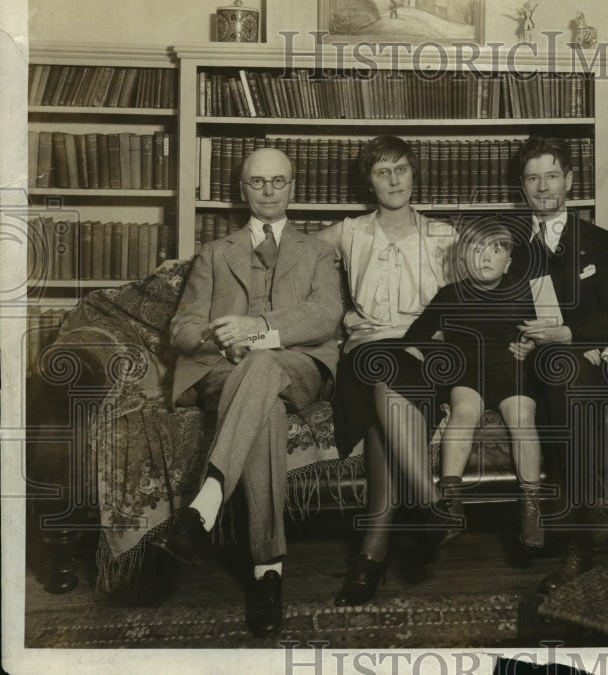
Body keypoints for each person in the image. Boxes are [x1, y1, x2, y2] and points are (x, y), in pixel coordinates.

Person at [155, 148, 343, 637]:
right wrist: (222, 336)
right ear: (242, 190)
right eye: (257, 182)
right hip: (223, 368)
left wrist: (256, 329)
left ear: (293, 188)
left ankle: (207, 502)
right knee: (266, 410)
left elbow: (324, 316)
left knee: (262, 363)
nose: (268, 191)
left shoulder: (319, 252)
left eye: (278, 182)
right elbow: (182, 327)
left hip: (299, 364)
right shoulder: (215, 253)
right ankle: (268, 575)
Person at [315, 135, 458, 606]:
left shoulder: (443, 235)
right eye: (382, 171)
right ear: (369, 181)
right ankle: (431, 503)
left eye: (401, 169)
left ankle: (372, 553)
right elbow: (286, 259)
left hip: (425, 353)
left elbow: (473, 299)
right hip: (368, 350)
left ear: (415, 174)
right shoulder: (348, 232)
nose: (394, 180)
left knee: (384, 414)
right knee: (381, 367)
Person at [506, 135, 608, 593]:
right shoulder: (508, 246)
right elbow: (492, 309)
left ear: (569, 181)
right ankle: (598, 513)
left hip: (580, 355)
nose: (542, 188)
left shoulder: (599, 243)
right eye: (532, 178)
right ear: (521, 187)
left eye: (551, 176)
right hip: (524, 360)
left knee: (569, 375)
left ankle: (580, 541)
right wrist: (517, 338)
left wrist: (568, 334)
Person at [401, 218, 545, 549]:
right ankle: (450, 501)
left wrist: (532, 344)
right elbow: (415, 338)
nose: (486, 256)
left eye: (496, 250)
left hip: (511, 370)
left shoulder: (522, 290)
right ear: (463, 257)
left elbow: (545, 330)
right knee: (463, 412)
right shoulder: (450, 294)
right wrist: (422, 362)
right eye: (477, 248)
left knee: (522, 417)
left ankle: (531, 506)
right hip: (467, 372)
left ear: (508, 261)